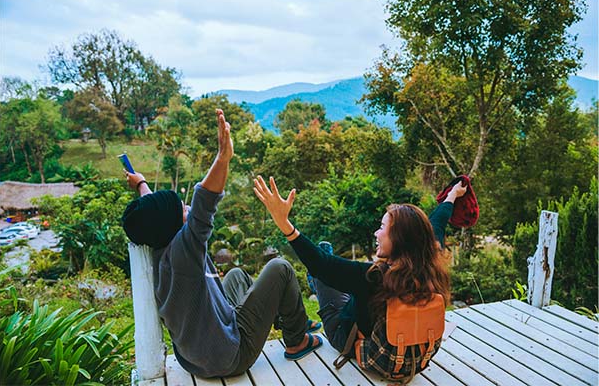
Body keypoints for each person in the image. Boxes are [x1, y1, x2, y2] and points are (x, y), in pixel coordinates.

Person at [121, 109, 322, 379]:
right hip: (229, 356)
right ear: (174, 225)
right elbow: (205, 202)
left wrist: (141, 184)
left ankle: (289, 317)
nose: (187, 207)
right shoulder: (184, 251)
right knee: (280, 268)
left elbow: (154, 211)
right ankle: (296, 338)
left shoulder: (162, 246)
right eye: (181, 208)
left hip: (197, 355)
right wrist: (223, 157)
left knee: (238, 276)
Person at [252, 175, 466, 364]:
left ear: (399, 240)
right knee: (334, 268)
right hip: (401, 346)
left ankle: (314, 283)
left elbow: (322, 265)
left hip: (344, 333)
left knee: (323, 262)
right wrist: (452, 195)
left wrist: (284, 224)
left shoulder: (374, 279)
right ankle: (321, 277)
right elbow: (436, 224)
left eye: (382, 227)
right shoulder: (430, 266)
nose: (376, 233)